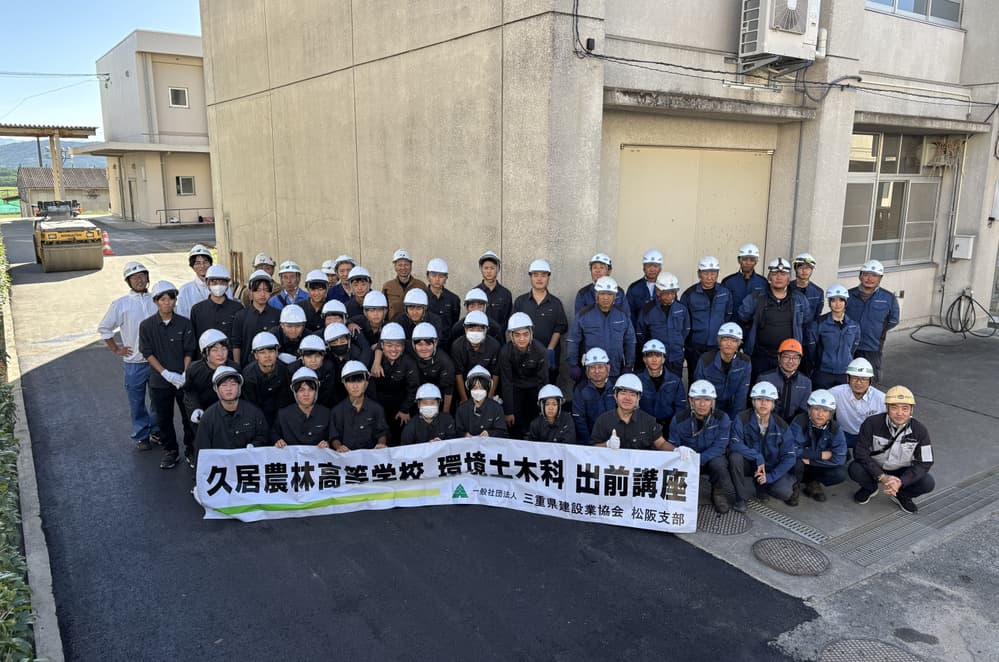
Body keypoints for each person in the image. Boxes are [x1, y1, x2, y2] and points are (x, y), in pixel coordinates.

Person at [98, 261, 159, 450]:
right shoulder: (121, 304)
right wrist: (116, 349)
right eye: (134, 277)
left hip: (157, 362)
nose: (139, 280)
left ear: (147, 277)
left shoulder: (157, 300)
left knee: (158, 399)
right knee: (137, 402)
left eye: (142, 276)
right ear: (128, 281)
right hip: (134, 363)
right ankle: (142, 435)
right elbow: (104, 328)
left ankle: (157, 430)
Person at [849, 385, 934, 513]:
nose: (899, 413)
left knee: (927, 483)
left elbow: (925, 462)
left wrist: (902, 481)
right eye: (894, 407)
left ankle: (902, 495)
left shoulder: (920, 430)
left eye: (905, 408)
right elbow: (861, 452)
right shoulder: (871, 423)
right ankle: (870, 488)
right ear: (887, 408)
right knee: (855, 469)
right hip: (876, 467)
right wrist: (882, 476)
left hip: (902, 471)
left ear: (911, 410)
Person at [139, 280, 196, 470]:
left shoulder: (184, 323)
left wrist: (184, 374)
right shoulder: (147, 326)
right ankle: (171, 451)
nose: (167, 302)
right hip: (159, 381)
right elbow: (147, 352)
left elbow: (189, 350)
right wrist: (165, 373)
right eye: (162, 299)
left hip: (182, 380)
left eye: (170, 298)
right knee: (164, 418)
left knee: (188, 417)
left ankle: (190, 450)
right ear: (155, 301)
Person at [737, 257, 811, 381]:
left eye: (783, 274)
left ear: (788, 278)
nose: (779, 277)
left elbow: (806, 320)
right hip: (760, 356)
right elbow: (742, 315)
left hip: (788, 357)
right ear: (769, 277)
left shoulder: (799, 299)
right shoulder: (757, 296)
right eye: (775, 273)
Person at [669, 380, 736, 514]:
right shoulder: (678, 419)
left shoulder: (722, 418)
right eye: (698, 399)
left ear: (712, 402)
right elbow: (673, 445)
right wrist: (678, 451)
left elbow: (720, 447)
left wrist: (698, 459)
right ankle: (678, 494)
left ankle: (718, 493)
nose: (702, 404)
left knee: (719, 464)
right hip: (687, 459)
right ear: (690, 400)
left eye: (707, 399)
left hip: (709, 458)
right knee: (674, 462)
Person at [728, 381, 797, 512]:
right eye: (759, 399)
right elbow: (734, 444)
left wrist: (770, 477)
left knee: (784, 492)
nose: (763, 403)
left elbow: (790, 457)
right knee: (735, 457)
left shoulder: (781, 425)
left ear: (773, 404)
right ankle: (740, 498)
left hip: (770, 468)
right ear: (753, 401)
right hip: (749, 462)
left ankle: (763, 486)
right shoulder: (741, 418)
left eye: (768, 400)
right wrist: (757, 456)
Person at [192, 366, 269, 463]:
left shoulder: (254, 412)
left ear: (239, 387)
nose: (229, 389)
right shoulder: (208, 418)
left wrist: (254, 445)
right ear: (216, 389)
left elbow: (264, 437)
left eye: (233, 384)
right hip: (220, 467)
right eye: (224, 385)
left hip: (248, 464)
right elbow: (201, 451)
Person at [566, 276, 636, 380]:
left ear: (614, 296)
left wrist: (629, 365)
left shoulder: (623, 315)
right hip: (590, 371)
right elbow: (573, 340)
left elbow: (630, 341)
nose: (605, 298)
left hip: (615, 370)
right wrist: (573, 364)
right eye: (602, 294)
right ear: (596, 295)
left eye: (609, 294)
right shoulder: (583, 315)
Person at [512, 259, 568, 383]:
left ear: (548, 278)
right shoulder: (520, 302)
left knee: (548, 389)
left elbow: (560, 327)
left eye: (543, 275)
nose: (539, 278)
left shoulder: (555, 303)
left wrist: (549, 350)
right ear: (530, 277)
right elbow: (513, 329)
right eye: (535, 275)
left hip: (548, 357)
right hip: (524, 357)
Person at [681, 255, 734, 384]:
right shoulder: (689, 294)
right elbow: (683, 321)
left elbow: (728, 316)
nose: (710, 277)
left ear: (717, 274)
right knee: (695, 377)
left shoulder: (725, 293)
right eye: (706, 273)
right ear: (699, 274)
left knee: (715, 377)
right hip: (695, 346)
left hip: (716, 345)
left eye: (713, 273)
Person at [789, 390, 847, 504]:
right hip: (801, 463)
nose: (820, 414)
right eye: (816, 409)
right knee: (795, 461)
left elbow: (839, 458)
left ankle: (813, 482)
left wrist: (811, 461)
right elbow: (791, 449)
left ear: (830, 414)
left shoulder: (835, 428)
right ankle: (794, 486)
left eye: (825, 410)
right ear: (809, 410)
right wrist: (820, 455)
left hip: (814, 463)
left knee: (840, 473)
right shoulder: (799, 422)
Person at [590, 373, 674, 452]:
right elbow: (592, 449)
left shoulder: (649, 421)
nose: (627, 398)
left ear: (638, 398)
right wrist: (607, 444)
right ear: (615, 395)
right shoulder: (603, 421)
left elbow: (661, 443)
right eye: (623, 393)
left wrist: (675, 451)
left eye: (632, 394)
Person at [846, 260, 899, 382]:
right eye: (866, 274)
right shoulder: (849, 295)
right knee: (847, 377)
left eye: (874, 275)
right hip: (848, 345)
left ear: (880, 278)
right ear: (860, 276)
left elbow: (893, 320)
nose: (869, 279)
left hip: (872, 346)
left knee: (869, 379)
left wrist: (877, 330)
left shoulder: (888, 298)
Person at [498, 312, 547, 437]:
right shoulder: (505, 352)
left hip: (534, 387)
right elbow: (507, 383)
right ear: (511, 336)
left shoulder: (540, 351)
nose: (522, 339)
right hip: (515, 387)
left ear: (531, 334)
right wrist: (509, 411)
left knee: (536, 419)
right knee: (514, 422)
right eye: (517, 335)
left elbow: (543, 381)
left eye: (525, 334)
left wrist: (543, 408)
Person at [184, 329, 240, 437]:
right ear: (205, 353)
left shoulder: (234, 368)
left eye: (224, 349)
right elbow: (189, 392)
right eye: (214, 350)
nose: (220, 354)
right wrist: (195, 408)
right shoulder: (194, 369)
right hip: (203, 412)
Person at [370, 323, 419, 445]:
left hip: (401, 405)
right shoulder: (373, 360)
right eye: (389, 345)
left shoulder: (409, 363)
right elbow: (369, 387)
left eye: (398, 345)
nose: (393, 350)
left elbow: (413, 388)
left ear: (403, 346)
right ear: (382, 346)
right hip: (378, 403)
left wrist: (405, 409)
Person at [634, 271, 689, 377]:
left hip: (676, 357)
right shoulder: (647, 309)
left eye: (673, 292)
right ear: (658, 291)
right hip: (655, 358)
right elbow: (641, 333)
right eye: (666, 293)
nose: (670, 296)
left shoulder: (682, 308)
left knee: (675, 382)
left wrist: (677, 343)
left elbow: (686, 330)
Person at [693, 322, 751, 420]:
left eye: (734, 340)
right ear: (719, 342)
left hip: (732, 406)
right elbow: (699, 389)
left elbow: (741, 394)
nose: (729, 344)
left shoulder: (745, 362)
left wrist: (736, 420)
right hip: (710, 405)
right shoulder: (705, 360)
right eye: (725, 339)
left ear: (738, 344)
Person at [329, 361, 390, 452]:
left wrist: (381, 443)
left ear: (366, 383)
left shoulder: (377, 409)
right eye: (350, 381)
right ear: (344, 384)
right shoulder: (337, 411)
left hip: (370, 457)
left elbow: (382, 433)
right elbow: (334, 437)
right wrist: (339, 447)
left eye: (359, 381)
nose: (355, 386)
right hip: (346, 457)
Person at [810, 284, 860, 389]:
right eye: (833, 300)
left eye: (841, 300)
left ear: (846, 302)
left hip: (844, 373)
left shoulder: (853, 325)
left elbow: (853, 348)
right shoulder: (819, 323)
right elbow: (812, 349)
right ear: (829, 303)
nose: (837, 304)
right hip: (823, 373)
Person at [829, 358, 885, 449]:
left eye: (864, 379)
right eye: (854, 378)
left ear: (870, 381)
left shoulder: (881, 399)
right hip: (844, 434)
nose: (859, 383)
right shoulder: (836, 393)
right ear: (848, 378)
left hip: (868, 437)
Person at [240, 331, 292, 427]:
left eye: (271, 351)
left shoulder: (283, 370)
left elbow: (285, 401)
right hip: (257, 417)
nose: (267, 356)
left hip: (280, 415)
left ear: (277, 353)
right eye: (262, 352)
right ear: (256, 355)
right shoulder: (248, 376)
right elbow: (251, 406)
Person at [231, 269, 280, 367]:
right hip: (247, 367)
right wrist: (237, 366)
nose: (262, 294)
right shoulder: (241, 316)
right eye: (258, 290)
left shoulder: (277, 315)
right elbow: (236, 345)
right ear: (250, 292)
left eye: (266, 290)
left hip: (272, 367)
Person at [272, 367, 332, 448]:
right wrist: (278, 441)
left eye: (310, 389)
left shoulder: (326, 413)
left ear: (316, 391)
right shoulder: (283, 415)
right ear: (295, 392)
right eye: (301, 390)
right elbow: (274, 435)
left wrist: (328, 443)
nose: (306, 394)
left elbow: (333, 438)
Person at [190, 264, 242, 356]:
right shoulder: (197, 310)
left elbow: (239, 340)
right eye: (214, 282)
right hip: (205, 361)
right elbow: (193, 340)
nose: (218, 286)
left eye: (222, 282)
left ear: (227, 284)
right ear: (207, 284)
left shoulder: (237, 308)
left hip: (229, 360)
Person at [450, 310, 501, 403]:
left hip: (486, 385)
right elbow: (458, 374)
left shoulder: (495, 346)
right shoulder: (457, 346)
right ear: (465, 329)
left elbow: (495, 374)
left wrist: (490, 397)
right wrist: (464, 398)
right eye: (472, 329)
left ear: (486, 330)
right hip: (465, 385)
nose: (475, 333)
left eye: (479, 329)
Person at [636, 340, 686, 430]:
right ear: (644, 359)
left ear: (663, 359)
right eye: (650, 355)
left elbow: (680, 407)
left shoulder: (674, 380)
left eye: (658, 355)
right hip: (642, 426)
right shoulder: (636, 379)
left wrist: (674, 427)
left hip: (668, 426)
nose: (654, 360)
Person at [759, 338, 812, 423]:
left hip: (794, 425)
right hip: (768, 423)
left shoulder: (806, 382)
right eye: (786, 357)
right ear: (779, 358)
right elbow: (759, 407)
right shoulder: (765, 379)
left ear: (799, 361)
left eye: (795, 358)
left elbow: (803, 411)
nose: (790, 361)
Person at [571, 347, 616, 443]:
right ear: (587, 370)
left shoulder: (616, 387)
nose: (597, 371)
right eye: (592, 367)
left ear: (608, 368)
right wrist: (590, 443)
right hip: (590, 440)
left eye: (600, 367)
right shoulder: (580, 390)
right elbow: (579, 420)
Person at [411, 322, 455, 413]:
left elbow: (448, 391)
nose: (424, 348)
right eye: (420, 344)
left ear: (435, 343)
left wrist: (445, 413)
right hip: (415, 397)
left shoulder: (445, 362)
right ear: (413, 344)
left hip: (438, 399)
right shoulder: (408, 349)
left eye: (428, 344)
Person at [454, 365, 507, 437]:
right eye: (475, 388)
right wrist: (464, 435)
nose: (478, 391)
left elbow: (502, 432)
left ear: (488, 388)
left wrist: (489, 433)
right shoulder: (461, 409)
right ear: (469, 388)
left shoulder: (496, 408)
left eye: (481, 388)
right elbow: (457, 431)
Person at [289, 334, 337, 408]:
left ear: (323, 356)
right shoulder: (292, 369)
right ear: (302, 357)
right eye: (309, 357)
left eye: (317, 356)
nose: (313, 360)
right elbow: (290, 395)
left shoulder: (328, 368)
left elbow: (327, 392)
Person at [721, 243, 767, 319]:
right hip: (733, 323)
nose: (748, 263)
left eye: (752, 260)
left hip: (754, 325)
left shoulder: (763, 282)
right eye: (745, 259)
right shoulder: (728, 282)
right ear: (739, 260)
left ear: (756, 262)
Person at [382, 249, 427, 321]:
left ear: (411, 266)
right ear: (395, 267)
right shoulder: (388, 287)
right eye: (400, 265)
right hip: (394, 325)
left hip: (415, 326)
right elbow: (383, 310)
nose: (403, 268)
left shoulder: (421, 285)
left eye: (406, 265)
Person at [625, 249, 663, 326]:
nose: (652, 269)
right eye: (648, 266)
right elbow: (628, 313)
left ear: (660, 269)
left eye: (655, 266)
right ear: (643, 268)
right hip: (639, 330)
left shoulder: (666, 287)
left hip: (660, 331)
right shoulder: (634, 288)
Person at [477, 251, 513, 328]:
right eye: (486, 268)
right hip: (480, 335)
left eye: (492, 268)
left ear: (498, 269)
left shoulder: (506, 294)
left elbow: (508, 320)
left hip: (499, 335)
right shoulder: (475, 293)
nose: (489, 271)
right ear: (481, 269)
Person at [176, 244, 214, 317]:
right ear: (192, 266)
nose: (202, 266)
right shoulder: (185, 290)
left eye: (205, 262)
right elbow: (182, 317)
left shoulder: (221, 286)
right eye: (198, 263)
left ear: (210, 264)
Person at [425, 258, 461, 330]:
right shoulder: (421, 297)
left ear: (446, 277)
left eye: (441, 276)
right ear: (428, 276)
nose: (437, 279)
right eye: (434, 275)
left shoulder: (453, 299)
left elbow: (454, 323)